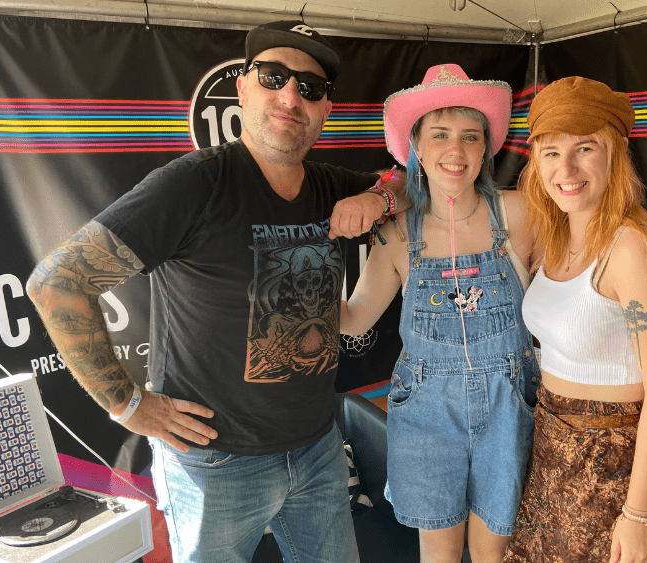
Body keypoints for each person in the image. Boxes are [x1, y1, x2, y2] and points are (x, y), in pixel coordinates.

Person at [25, 20, 406, 563]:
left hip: (318, 448)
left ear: (325, 109)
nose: (291, 95)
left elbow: (411, 181)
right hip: (214, 465)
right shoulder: (195, 184)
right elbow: (58, 282)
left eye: (310, 87)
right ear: (244, 88)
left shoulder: (330, 185)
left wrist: (383, 199)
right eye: (273, 77)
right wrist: (127, 405)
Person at [340, 64, 539, 563]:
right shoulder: (397, 232)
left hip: (508, 404)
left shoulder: (520, 214)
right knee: (440, 556)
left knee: (494, 554)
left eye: (471, 137)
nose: (457, 150)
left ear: (487, 148)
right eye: (441, 135)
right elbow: (354, 319)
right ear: (418, 149)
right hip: (426, 408)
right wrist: (290, 278)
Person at [502, 77, 647, 563]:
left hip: (611, 467)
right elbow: (455, 198)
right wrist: (388, 191)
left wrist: (640, 513)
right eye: (551, 152)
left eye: (585, 148)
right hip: (550, 449)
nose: (567, 169)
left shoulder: (634, 246)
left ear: (615, 154)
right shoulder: (556, 235)